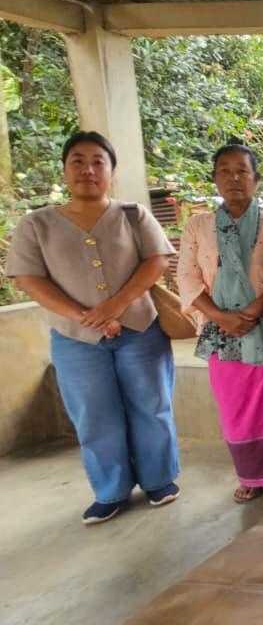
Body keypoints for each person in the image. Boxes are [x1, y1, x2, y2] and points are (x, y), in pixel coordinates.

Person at [5, 131, 180, 524]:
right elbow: (29, 279)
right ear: (65, 170)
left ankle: (159, 479)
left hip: (139, 329)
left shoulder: (133, 215)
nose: (88, 169)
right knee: (93, 414)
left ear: (112, 171)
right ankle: (111, 491)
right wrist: (85, 316)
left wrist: (116, 305)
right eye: (78, 161)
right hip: (75, 339)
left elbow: (157, 261)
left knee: (151, 405)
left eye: (98, 161)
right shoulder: (38, 224)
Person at [176, 142, 263, 502]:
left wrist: (254, 309)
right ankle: (250, 475)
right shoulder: (198, 225)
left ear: (256, 179)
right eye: (225, 171)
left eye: (242, 171)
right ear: (215, 179)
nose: (234, 178)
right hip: (222, 334)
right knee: (234, 407)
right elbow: (186, 278)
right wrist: (221, 317)